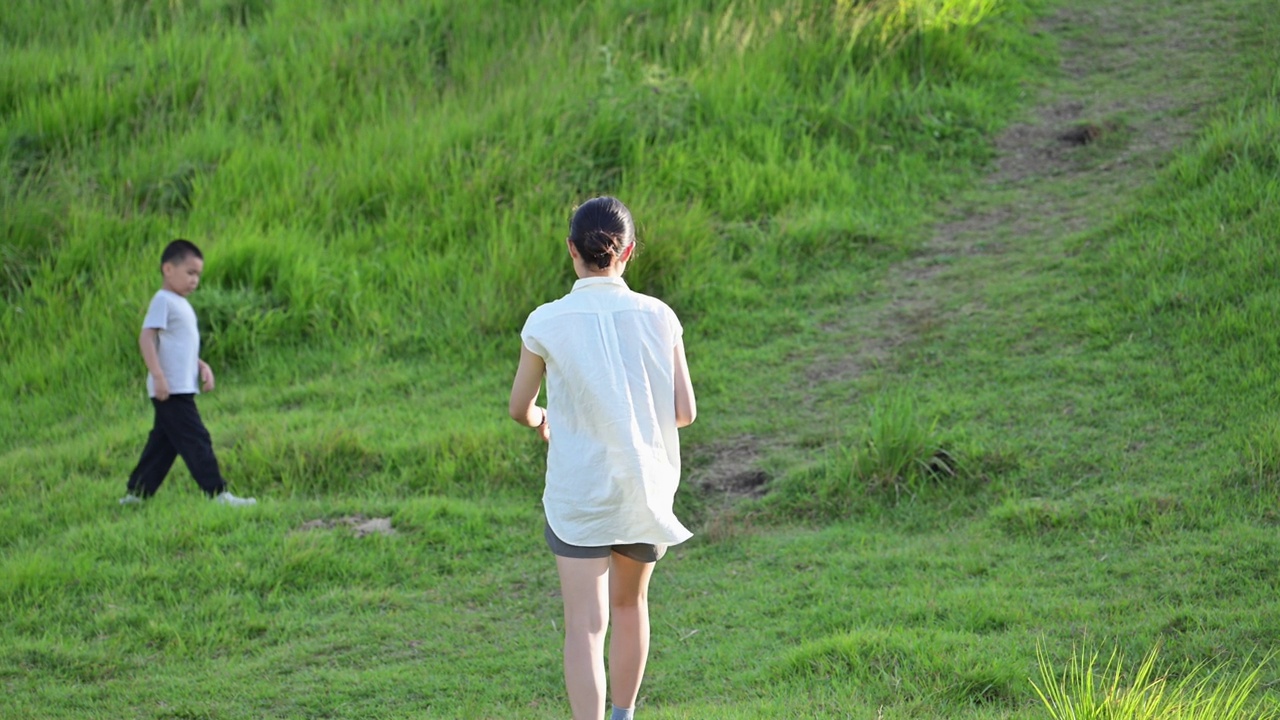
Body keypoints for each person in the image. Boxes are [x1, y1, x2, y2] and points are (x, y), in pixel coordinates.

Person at [509, 197, 697, 720]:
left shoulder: (546, 321)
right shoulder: (660, 315)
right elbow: (684, 411)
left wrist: (544, 420)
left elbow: (519, 408)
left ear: (571, 250)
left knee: (585, 625)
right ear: (629, 251)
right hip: (642, 488)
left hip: (579, 492)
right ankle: (623, 714)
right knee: (629, 607)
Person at [119, 239, 256, 507]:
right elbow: (146, 338)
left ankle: (136, 495)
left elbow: (180, 346)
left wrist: (201, 365)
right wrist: (157, 376)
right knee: (196, 438)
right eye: (190, 273)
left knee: (164, 444)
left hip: (180, 385)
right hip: (170, 388)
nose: (195, 280)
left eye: (198, 275)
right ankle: (218, 494)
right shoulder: (163, 300)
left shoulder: (181, 303)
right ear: (168, 269)